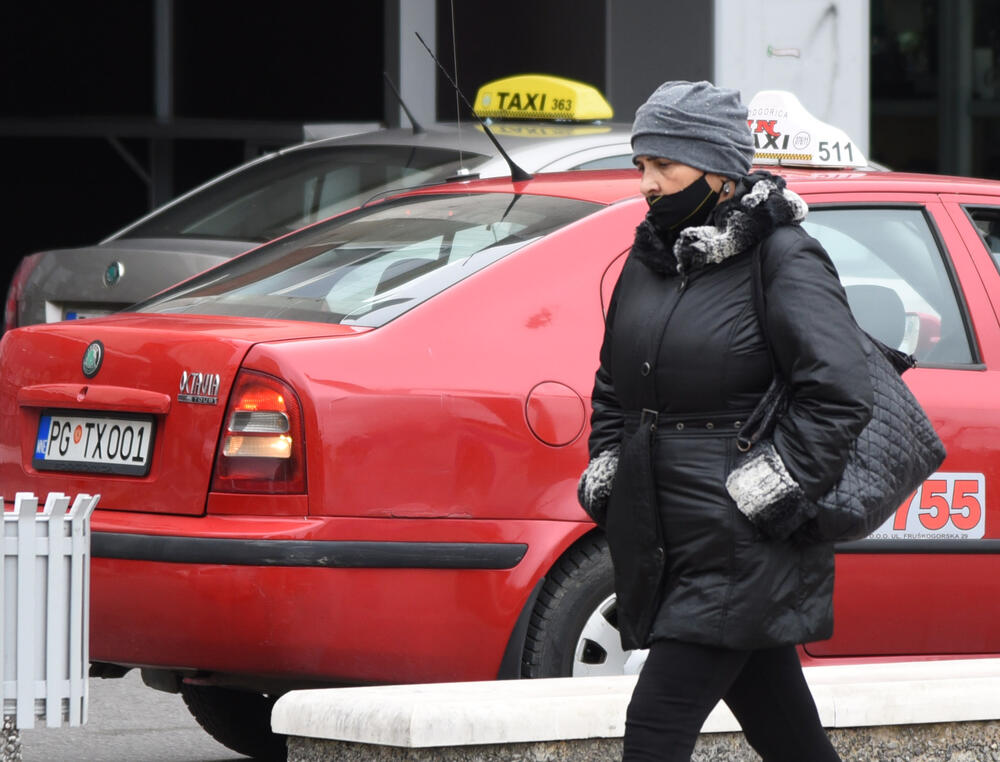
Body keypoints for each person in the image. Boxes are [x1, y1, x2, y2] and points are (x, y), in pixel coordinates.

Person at [577, 81, 873, 761]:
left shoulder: (783, 256)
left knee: (655, 726)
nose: (648, 183)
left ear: (717, 168)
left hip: (742, 543)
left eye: (665, 166)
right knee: (787, 733)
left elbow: (839, 391)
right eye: (641, 164)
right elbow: (611, 382)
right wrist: (608, 465)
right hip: (665, 532)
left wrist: (769, 492)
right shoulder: (649, 259)